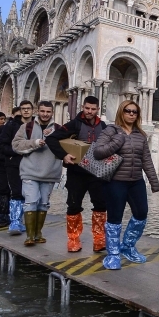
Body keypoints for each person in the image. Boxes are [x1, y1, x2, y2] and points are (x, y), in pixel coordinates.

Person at [94, 99, 159, 269]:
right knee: (115, 217)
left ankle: (128, 247)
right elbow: (98, 152)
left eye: (134, 112)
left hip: (136, 181)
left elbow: (146, 159)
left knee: (141, 213)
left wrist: (153, 181)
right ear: (121, 112)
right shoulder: (111, 130)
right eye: (128, 111)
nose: (131, 114)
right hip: (115, 182)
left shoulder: (140, 135)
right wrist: (118, 141)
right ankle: (113, 253)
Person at [46, 96, 108, 253]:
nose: (89, 111)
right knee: (73, 204)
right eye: (87, 108)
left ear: (98, 110)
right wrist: (64, 155)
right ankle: (73, 239)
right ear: (83, 107)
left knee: (101, 204)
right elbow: (52, 139)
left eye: (93, 109)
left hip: (97, 173)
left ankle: (99, 239)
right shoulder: (74, 124)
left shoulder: (104, 126)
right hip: (76, 173)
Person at [12, 101, 63, 246]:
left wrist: (53, 137)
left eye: (48, 111)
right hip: (29, 171)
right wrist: (34, 142)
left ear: (52, 112)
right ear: (37, 111)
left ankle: (38, 233)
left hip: (50, 172)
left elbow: (66, 146)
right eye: (42, 111)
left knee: (43, 203)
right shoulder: (26, 127)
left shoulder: (59, 129)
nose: (45, 114)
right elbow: (16, 146)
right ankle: (29, 236)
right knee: (31, 201)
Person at [0, 103, 31, 233]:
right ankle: (11, 220)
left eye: (28, 109)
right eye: (23, 110)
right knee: (9, 190)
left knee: (28, 193)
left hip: (30, 165)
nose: (25, 112)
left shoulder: (35, 126)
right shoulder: (9, 127)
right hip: (10, 164)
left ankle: (25, 221)